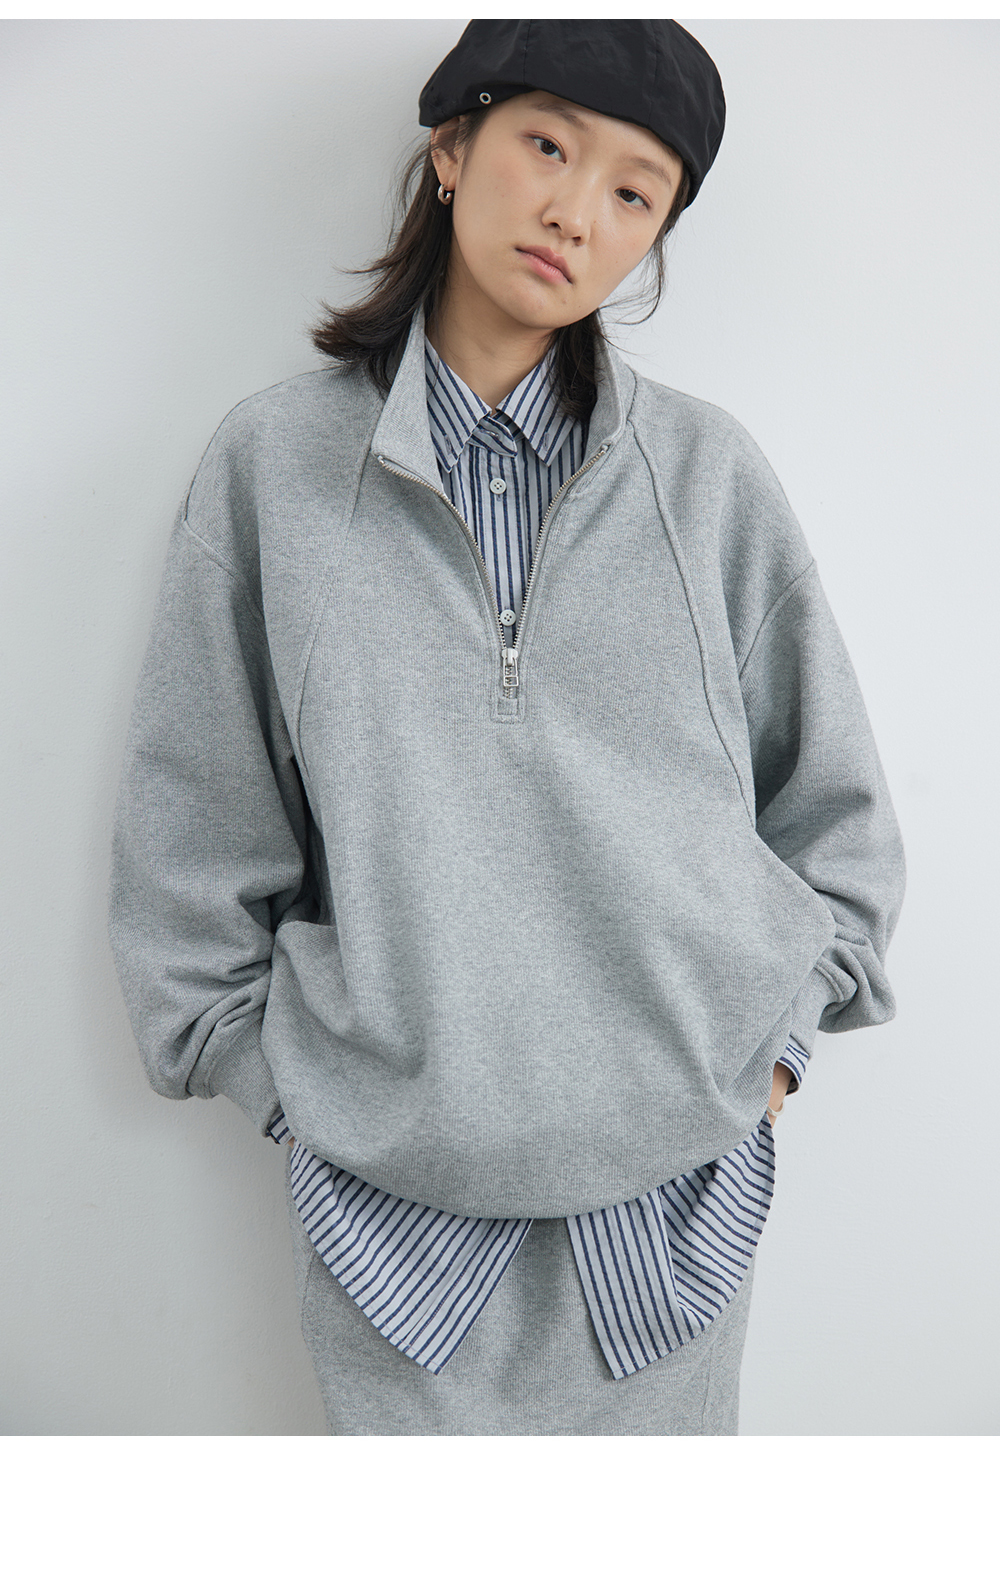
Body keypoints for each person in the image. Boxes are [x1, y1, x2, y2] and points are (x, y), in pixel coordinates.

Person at [108, 20, 905, 1436]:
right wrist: (288, 1088)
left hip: (677, 1212)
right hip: (390, 1228)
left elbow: (837, 822)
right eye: (547, 145)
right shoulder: (274, 470)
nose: (575, 212)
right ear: (451, 147)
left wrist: (770, 1056)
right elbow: (195, 839)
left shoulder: (709, 480)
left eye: (633, 192)